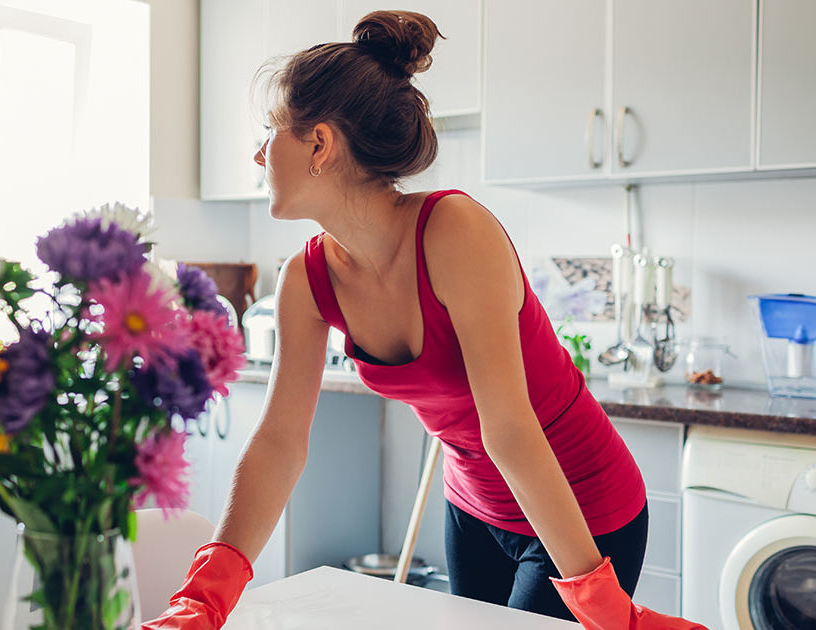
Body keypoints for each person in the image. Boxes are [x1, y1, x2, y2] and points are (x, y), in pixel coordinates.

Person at [144, 11, 705, 630]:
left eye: (271, 132)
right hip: (474, 510)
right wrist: (206, 596)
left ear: (320, 146)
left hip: (581, 509)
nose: (258, 152)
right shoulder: (305, 279)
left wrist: (598, 599)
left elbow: (511, 428)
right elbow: (279, 441)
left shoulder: (455, 231)